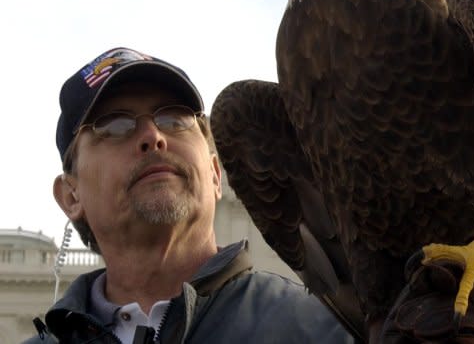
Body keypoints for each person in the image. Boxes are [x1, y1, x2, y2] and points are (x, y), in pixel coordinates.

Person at [25, 47, 354, 344]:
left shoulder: (334, 332)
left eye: (174, 119)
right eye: (114, 126)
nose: (153, 137)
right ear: (70, 195)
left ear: (216, 172)